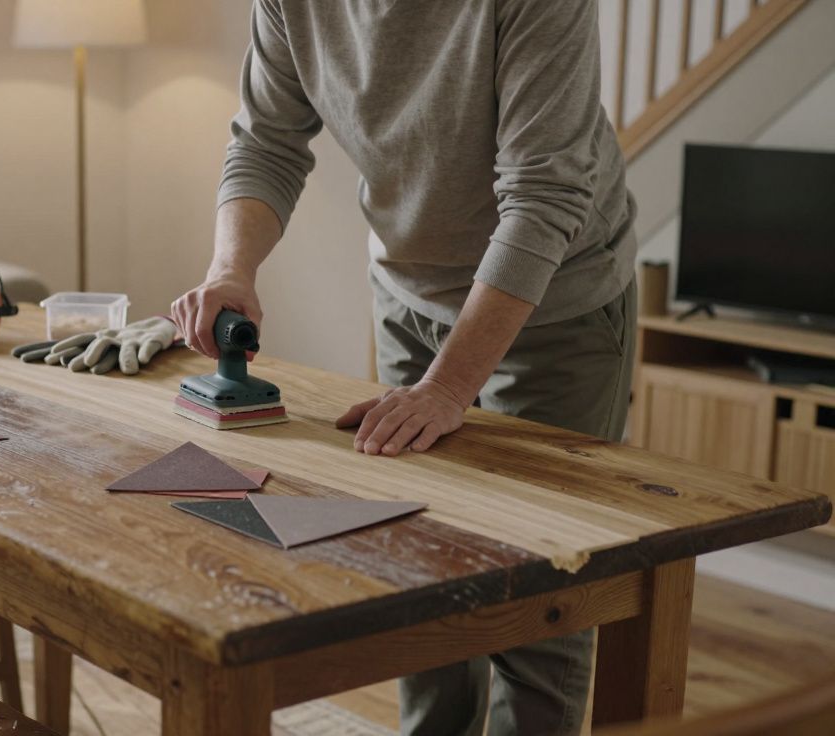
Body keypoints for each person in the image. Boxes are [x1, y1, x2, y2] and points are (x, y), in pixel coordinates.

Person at [170, 1, 637, 734]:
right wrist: (232, 269)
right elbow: (265, 143)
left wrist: (450, 387)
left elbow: (544, 195)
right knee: (419, 565)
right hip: (409, 290)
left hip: (554, 308)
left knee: (541, 595)